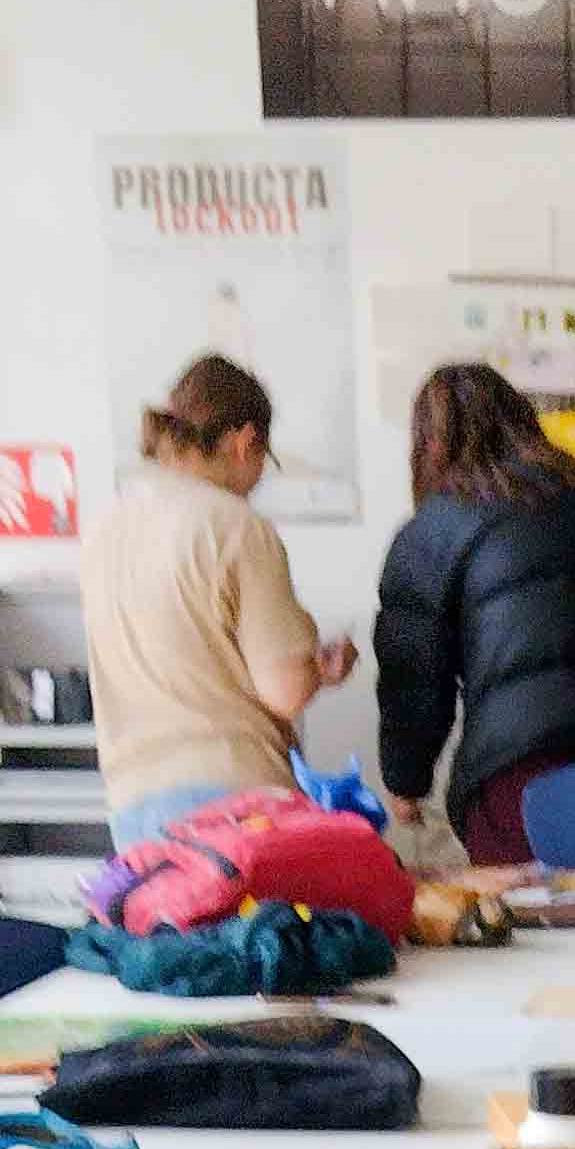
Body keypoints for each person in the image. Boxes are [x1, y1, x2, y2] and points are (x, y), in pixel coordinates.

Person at [371, 362, 575, 864]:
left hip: (523, 777)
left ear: (429, 444)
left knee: (530, 931)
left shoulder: (432, 530)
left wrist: (405, 781)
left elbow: (414, 675)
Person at [82, 355, 352, 842]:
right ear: (245, 442)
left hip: (133, 808)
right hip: (232, 803)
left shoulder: (105, 529)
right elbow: (284, 690)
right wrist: (319, 668)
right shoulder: (233, 524)